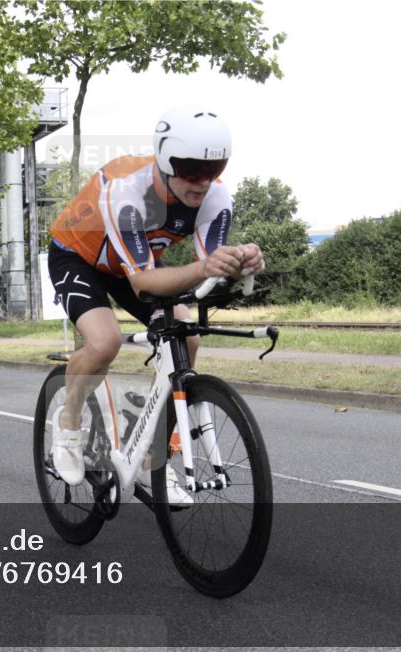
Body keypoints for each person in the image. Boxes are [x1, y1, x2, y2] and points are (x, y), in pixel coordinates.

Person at [47, 105, 266, 506]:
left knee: (188, 336)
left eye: (214, 168)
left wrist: (240, 264)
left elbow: (210, 273)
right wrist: (207, 267)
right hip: (79, 258)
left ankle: (154, 455)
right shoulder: (126, 191)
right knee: (104, 342)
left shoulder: (215, 196)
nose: (202, 181)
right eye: (191, 169)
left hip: (133, 262)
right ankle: (69, 421)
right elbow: (143, 282)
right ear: (165, 161)